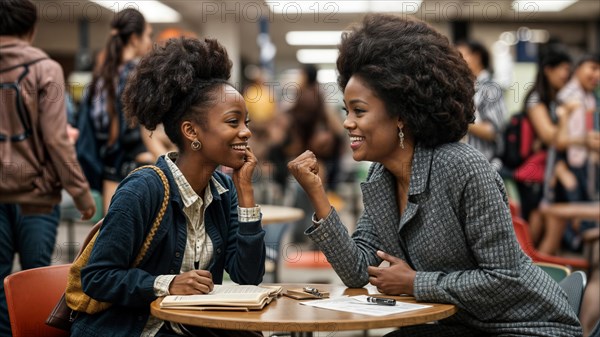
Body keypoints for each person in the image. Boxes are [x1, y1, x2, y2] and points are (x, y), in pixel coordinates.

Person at [288, 14, 582, 336]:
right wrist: (318, 195)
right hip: (463, 324)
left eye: (359, 111)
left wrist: (416, 282)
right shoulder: (380, 177)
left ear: (400, 115)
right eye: (347, 112)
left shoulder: (462, 167)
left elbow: (505, 278)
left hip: (529, 326)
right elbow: (358, 271)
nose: (347, 123)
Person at [70, 38, 266, 337]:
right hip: (133, 330)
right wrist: (167, 283)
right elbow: (96, 278)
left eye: (246, 121)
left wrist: (246, 195)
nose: (246, 131)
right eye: (233, 121)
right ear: (191, 131)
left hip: (189, 328)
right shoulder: (143, 190)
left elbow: (248, 276)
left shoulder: (224, 190)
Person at [0, 1, 96, 335]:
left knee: (0, 285)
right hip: (36, 196)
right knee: (33, 280)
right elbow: (57, 141)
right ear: (32, 29)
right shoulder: (46, 69)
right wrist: (82, 195)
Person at [78, 8, 154, 214]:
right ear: (133, 38)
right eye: (147, 35)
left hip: (108, 168)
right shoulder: (137, 73)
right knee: (142, 239)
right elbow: (131, 122)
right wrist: (143, 152)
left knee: (113, 234)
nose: (149, 41)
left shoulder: (101, 76)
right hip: (136, 167)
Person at [456, 40, 507, 166]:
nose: (456, 61)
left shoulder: (490, 87)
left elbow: (492, 131)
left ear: (477, 57)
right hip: (465, 164)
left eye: (460, 55)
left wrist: (457, 119)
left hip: (486, 165)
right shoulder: (464, 86)